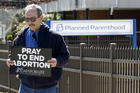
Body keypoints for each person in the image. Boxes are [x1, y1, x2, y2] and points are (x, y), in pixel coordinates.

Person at [7, 4, 70, 93]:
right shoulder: (21, 36)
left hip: (48, 87)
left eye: (32, 19)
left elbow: (65, 57)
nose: (29, 22)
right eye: (27, 19)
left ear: (41, 17)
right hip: (25, 86)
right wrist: (11, 60)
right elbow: (15, 54)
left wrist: (57, 61)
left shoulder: (54, 37)